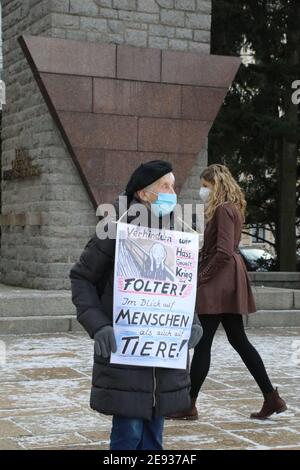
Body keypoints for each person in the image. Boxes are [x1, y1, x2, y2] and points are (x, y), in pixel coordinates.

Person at [69, 160, 203, 450]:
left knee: (155, 436)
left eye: (173, 185)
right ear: (144, 193)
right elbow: (81, 278)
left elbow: (179, 291)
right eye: (165, 186)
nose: (172, 192)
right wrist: (99, 326)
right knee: (128, 434)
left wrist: (192, 323)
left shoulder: (178, 235)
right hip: (125, 354)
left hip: (163, 357)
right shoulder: (114, 230)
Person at [167, 164, 287, 421]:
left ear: (216, 185)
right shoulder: (232, 207)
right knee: (238, 340)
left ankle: (189, 404)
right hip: (229, 278)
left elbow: (222, 252)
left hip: (218, 281)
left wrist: (200, 278)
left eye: (205, 186)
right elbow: (222, 249)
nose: (202, 191)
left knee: (204, 343)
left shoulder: (222, 210)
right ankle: (271, 397)